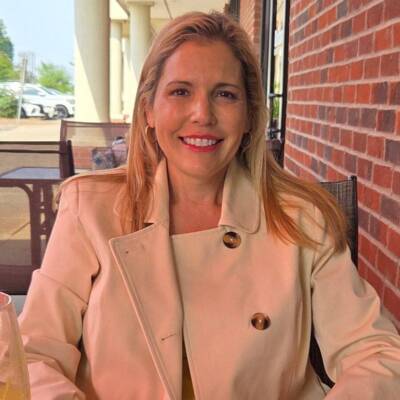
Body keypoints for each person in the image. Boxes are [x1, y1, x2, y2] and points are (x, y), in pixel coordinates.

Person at [19, 11, 400, 400]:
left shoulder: (302, 217)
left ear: (249, 116)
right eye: (180, 91)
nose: (202, 114)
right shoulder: (89, 210)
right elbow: (32, 354)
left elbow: (377, 352)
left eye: (225, 94)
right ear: (149, 110)